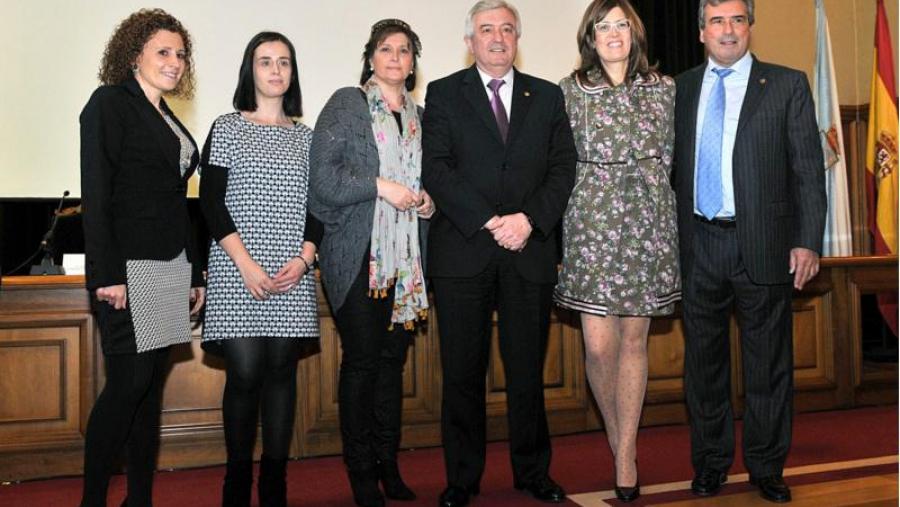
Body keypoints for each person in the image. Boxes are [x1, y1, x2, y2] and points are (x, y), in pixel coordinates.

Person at [421, 2, 577, 505]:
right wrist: (491, 221)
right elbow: (437, 168)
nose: (497, 38)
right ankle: (462, 480)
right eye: (486, 29)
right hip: (463, 253)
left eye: (506, 29)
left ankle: (533, 472)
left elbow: (562, 169)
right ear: (470, 40)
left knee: (528, 372)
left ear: (517, 38)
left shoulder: (548, 97)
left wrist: (528, 221)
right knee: (463, 375)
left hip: (528, 253)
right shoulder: (443, 93)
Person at [673, 0, 827, 503]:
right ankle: (712, 464)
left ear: (750, 28)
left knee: (769, 366)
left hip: (764, 246)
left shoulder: (786, 84)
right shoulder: (680, 89)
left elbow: (807, 170)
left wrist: (807, 240)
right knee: (704, 368)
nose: (728, 30)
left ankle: (766, 467)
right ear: (701, 32)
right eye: (717, 20)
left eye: (738, 20)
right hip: (698, 243)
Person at [554, 0, 679, 502]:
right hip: (589, 226)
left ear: (635, 32)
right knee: (599, 346)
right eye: (603, 26)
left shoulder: (665, 89)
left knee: (634, 343)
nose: (613, 34)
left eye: (621, 25)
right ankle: (617, 436)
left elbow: (672, 156)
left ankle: (625, 455)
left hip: (649, 226)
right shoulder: (569, 91)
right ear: (590, 35)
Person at [79, 9, 205, 507]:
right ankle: (92, 500)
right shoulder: (110, 103)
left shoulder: (166, 116)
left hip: (171, 267)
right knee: (128, 385)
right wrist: (107, 275)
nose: (174, 62)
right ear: (134, 55)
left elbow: (178, 201)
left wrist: (194, 270)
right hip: (129, 271)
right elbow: (98, 194)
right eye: (163, 52)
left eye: (180, 54)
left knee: (150, 390)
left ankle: (140, 499)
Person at [309, 19, 431, 507]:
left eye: (404, 51)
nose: (396, 58)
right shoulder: (348, 103)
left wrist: (426, 203)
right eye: (386, 49)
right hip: (359, 256)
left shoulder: (420, 116)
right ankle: (361, 471)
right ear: (371, 57)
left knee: (391, 366)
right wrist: (381, 186)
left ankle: (389, 464)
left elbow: (429, 178)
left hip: (406, 260)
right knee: (362, 364)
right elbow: (324, 180)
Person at [199, 32, 321, 507]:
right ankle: (235, 481)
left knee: (281, 373)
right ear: (250, 71)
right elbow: (210, 202)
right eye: (265, 61)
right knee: (246, 372)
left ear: (292, 73)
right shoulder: (227, 127)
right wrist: (245, 264)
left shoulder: (308, 138)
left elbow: (319, 206)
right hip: (236, 267)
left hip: (293, 268)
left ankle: (274, 483)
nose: (275, 70)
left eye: (284, 62)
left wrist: (306, 257)